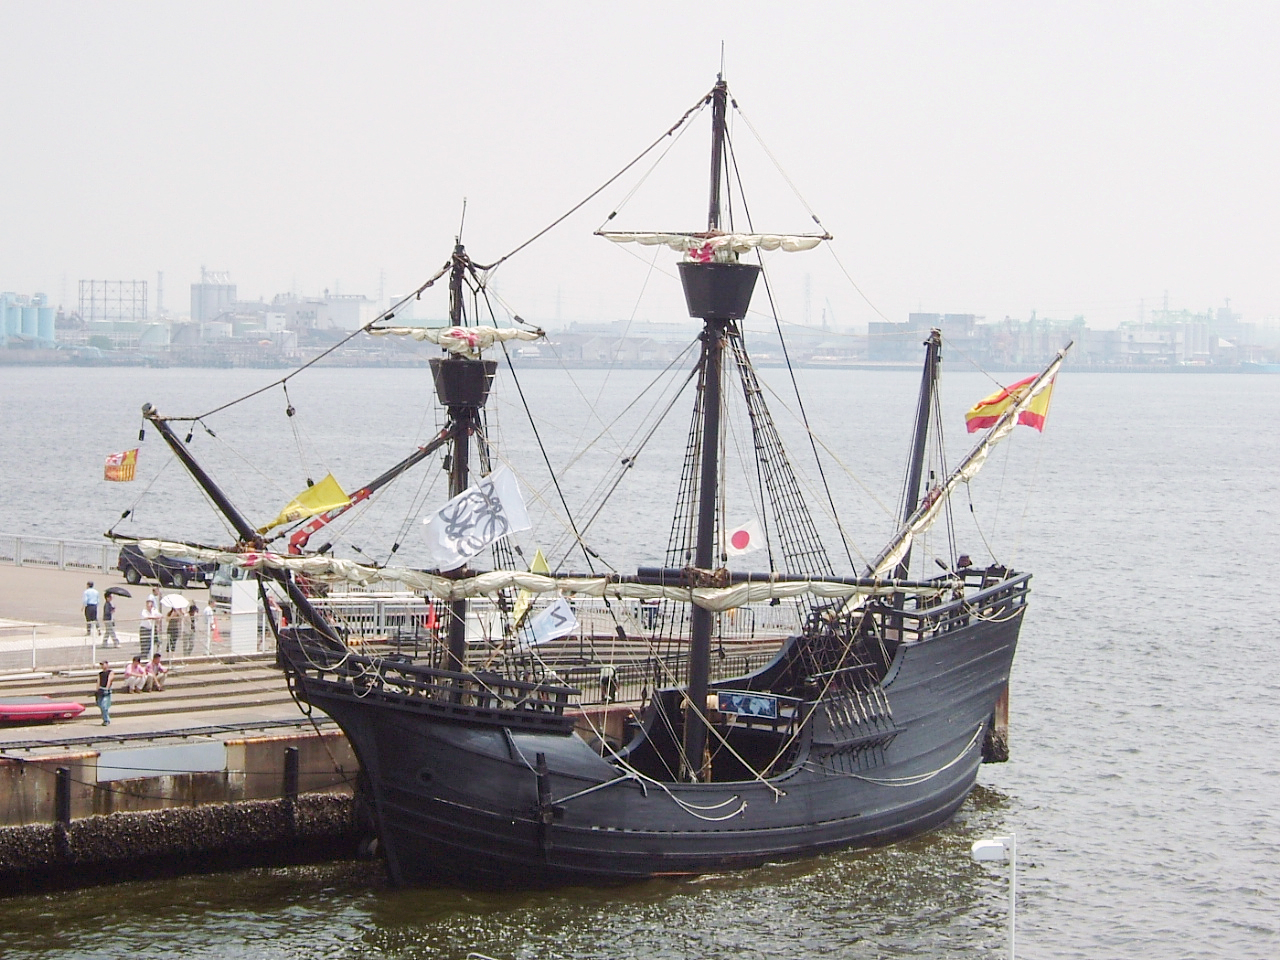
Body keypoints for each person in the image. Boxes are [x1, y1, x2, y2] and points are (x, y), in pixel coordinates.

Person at [95, 660, 114, 725]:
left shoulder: (110, 672)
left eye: (103, 664)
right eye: (101, 665)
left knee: (104, 706)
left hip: (106, 690)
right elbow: (98, 682)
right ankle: (104, 719)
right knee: (100, 705)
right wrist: (97, 690)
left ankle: (107, 720)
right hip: (100, 689)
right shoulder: (100, 673)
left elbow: (109, 680)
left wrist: (107, 688)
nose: (102, 666)